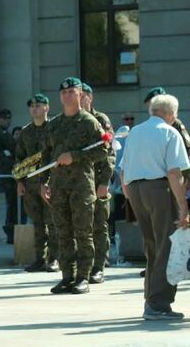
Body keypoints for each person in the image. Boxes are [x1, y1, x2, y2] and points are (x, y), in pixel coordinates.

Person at [120, 93, 190, 321]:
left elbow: (123, 172)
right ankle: (159, 305)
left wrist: (132, 198)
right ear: (171, 114)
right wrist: (183, 206)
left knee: (152, 247)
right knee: (167, 247)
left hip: (137, 191)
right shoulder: (170, 132)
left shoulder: (135, 132)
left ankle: (150, 299)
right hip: (159, 190)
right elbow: (174, 172)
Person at [44, 78, 108, 295]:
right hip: (58, 186)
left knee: (83, 233)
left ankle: (83, 277)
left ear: (81, 95)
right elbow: (46, 157)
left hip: (81, 187)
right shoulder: (53, 124)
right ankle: (67, 277)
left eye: (72, 92)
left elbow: (103, 151)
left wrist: (76, 156)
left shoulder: (89, 122)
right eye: (64, 92)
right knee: (62, 233)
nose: (67, 96)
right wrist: (44, 182)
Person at [16, 94, 59, 273]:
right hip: (31, 184)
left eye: (39, 105)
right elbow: (20, 158)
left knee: (53, 222)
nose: (35, 109)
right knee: (38, 223)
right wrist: (19, 181)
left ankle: (54, 258)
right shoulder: (25, 132)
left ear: (47, 108)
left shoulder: (55, 128)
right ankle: (40, 258)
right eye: (32, 106)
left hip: (52, 183)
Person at [80, 84, 115, 282]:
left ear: (90, 98)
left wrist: (104, 182)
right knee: (80, 226)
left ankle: (98, 266)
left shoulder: (100, 120)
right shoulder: (70, 121)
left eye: (84, 96)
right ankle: (82, 266)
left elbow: (109, 154)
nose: (81, 99)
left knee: (99, 225)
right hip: (77, 182)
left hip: (97, 180)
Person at [0, 108, 18, 245]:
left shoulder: (5, 134)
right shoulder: (0, 134)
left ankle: (13, 230)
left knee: (14, 205)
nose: (7, 121)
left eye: (8, 118)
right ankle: (11, 231)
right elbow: (15, 148)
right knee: (12, 205)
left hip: (11, 174)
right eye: (4, 118)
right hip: (8, 175)